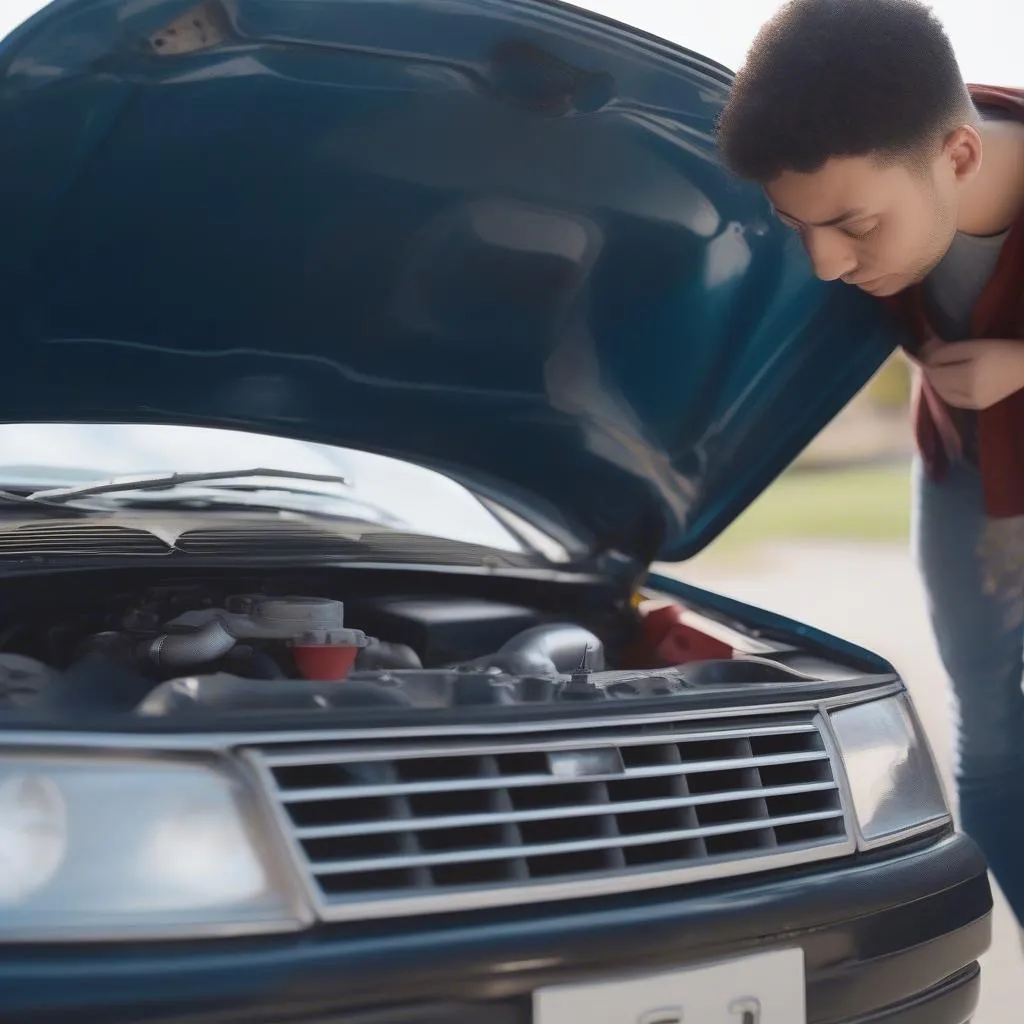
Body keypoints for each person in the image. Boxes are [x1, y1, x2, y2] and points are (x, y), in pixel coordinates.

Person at [716, 0, 1024, 925]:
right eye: (798, 224)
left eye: (852, 225)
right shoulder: (880, 160)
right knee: (991, 739)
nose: (823, 261)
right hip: (966, 471)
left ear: (959, 156)